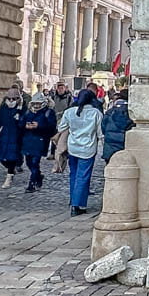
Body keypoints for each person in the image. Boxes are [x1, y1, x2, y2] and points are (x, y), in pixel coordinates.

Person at [57, 88, 102, 216]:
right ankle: (77, 204)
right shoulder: (96, 113)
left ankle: (73, 199)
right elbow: (100, 133)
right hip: (88, 148)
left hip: (73, 147)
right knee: (83, 176)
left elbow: (61, 127)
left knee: (74, 175)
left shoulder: (70, 112)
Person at [19, 93, 58, 192]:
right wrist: (25, 125)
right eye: (35, 103)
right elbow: (21, 123)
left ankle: (32, 184)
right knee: (29, 163)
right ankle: (38, 176)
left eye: (38, 104)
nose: (36, 106)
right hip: (28, 140)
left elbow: (52, 127)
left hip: (41, 141)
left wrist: (39, 125)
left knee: (35, 162)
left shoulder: (48, 112)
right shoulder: (28, 112)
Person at [0, 86, 24, 188]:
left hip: (16, 136)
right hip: (5, 134)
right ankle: (11, 170)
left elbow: (24, 123)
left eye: (13, 99)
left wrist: (19, 118)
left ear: (18, 99)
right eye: (9, 99)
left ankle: (9, 177)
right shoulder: (3, 108)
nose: (11, 101)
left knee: (12, 157)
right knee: (2, 158)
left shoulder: (22, 108)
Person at [101, 88, 135, 164]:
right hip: (125, 144)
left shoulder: (110, 112)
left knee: (110, 168)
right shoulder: (132, 113)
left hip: (110, 144)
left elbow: (103, 127)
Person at [48, 80, 74, 172]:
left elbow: (70, 108)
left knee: (63, 138)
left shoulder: (69, 97)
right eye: (59, 88)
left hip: (64, 121)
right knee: (54, 137)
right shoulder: (53, 97)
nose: (60, 89)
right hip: (55, 120)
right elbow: (50, 107)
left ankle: (63, 153)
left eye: (62, 88)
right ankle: (52, 152)